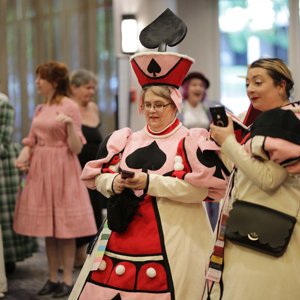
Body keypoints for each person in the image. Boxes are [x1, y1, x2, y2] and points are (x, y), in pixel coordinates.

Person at [70, 9, 229, 300]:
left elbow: (201, 191)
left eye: (160, 104)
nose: (153, 111)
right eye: (149, 104)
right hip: (121, 239)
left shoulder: (192, 141)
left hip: (175, 243)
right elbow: (98, 178)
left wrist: (149, 183)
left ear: (174, 105)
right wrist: (115, 184)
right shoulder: (125, 139)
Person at [206, 58, 300, 299]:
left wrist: (227, 141)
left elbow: (268, 178)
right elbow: (244, 173)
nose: (250, 89)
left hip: (269, 230)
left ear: (281, 85)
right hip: (252, 226)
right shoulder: (268, 120)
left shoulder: (285, 120)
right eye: (247, 83)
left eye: (258, 82)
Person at [13, 61, 97, 298]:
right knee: (48, 228)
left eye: (41, 78)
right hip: (41, 168)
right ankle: (51, 278)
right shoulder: (40, 109)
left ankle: (68, 280)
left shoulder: (69, 106)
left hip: (63, 167)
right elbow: (31, 140)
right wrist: (22, 157)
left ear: (54, 81)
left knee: (65, 228)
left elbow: (77, 147)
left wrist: (70, 125)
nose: (37, 82)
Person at [70, 69, 106, 267]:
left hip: (93, 169)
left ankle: (84, 253)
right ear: (74, 88)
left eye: (93, 88)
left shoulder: (93, 107)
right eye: (87, 87)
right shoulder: (68, 107)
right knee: (77, 212)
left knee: (93, 211)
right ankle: (73, 254)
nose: (91, 92)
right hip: (75, 168)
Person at [0, 91, 38, 275]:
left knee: (5, 214)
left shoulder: (2, 102)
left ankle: (8, 261)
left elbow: (3, 138)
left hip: (3, 165)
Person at [180, 72, 219, 230]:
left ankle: (210, 227)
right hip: (184, 156)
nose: (198, 88)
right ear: (186, 88)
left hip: (207, 155)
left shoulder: (210, 107)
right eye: (194, 85)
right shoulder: (179, 108)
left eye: (201, 86)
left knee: (209, 190)